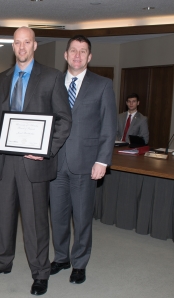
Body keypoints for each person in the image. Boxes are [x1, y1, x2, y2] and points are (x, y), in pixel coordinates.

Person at [0, 26, 72, 296]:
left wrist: (47, 149)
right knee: (4, 218)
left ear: (35, 45)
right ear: (13, 46)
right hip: (6, 162)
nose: (21, 47)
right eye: (17, 42)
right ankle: (2, 262)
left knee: (35, 222)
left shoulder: (52, 78)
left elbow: (64, 120)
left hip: (35, 162)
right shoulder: (1, 78)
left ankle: (40, 272)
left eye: (26, 42)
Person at [49, 35, 117, 285]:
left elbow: (109, 126)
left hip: (86, 164)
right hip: (55, 162)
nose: (77, 55)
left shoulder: (102, 85)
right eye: (73, 51)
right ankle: (60, 257)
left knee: (82, 216)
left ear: (89, 57)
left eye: (83, 51)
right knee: (57, 215)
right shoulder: (53, 82)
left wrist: (102, 161)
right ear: (65, 55)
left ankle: (79, 263)